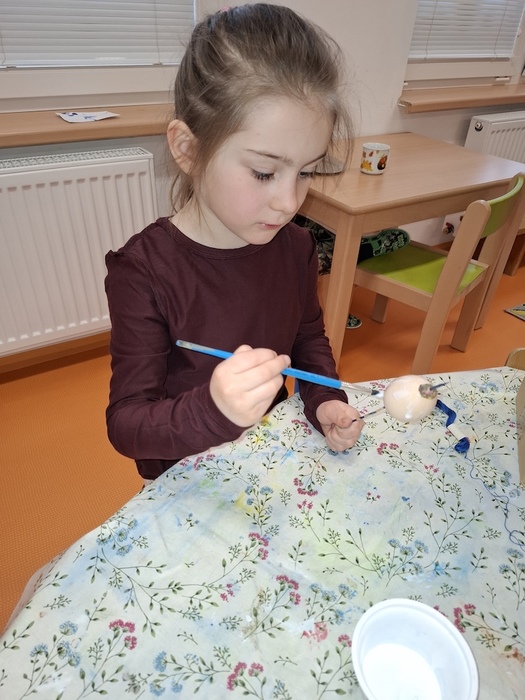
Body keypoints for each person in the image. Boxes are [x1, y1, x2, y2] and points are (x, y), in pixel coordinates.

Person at [104, 3, 364, 481]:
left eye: (307, 172)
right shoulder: (143, 272)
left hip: (270, 456)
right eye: (264, 172)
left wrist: (324, 398)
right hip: (185, 473)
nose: (289, 202)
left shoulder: (296, 248)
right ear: (188, 149)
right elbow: (127, 425)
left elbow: (307, 339)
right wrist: (213, 410)